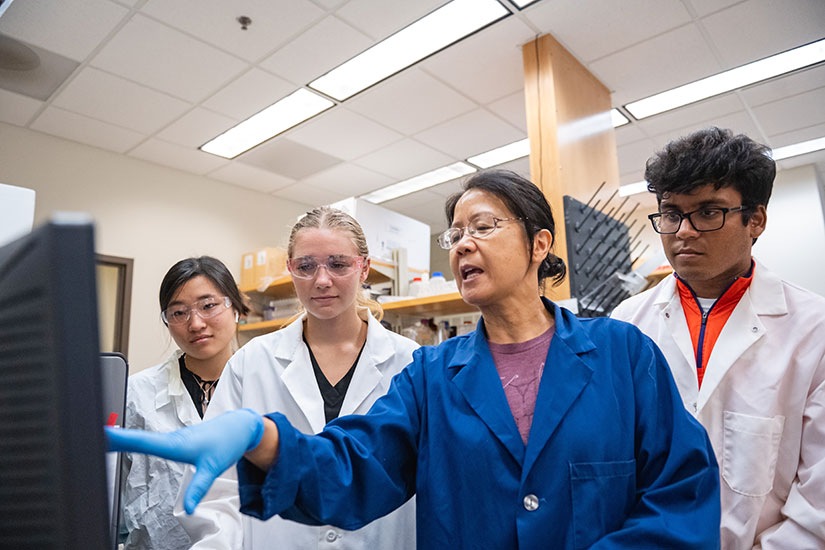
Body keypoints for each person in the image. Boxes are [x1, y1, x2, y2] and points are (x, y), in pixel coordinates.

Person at [109, 170, 721, 549]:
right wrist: (264, 439)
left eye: (483, 225)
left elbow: (683, 491)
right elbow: (356, 465)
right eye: (454, 234)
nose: (463, 244)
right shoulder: (432, 376)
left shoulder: (622, 356)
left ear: (539, 244)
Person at [611, 127, 825, 549]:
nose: (683, 231)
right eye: (671, 213)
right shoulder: (627, 323)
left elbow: (818, 500)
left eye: (708, 212)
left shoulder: (813, 329)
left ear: (756, 220)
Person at [178, 206, 418, 549]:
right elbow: (215, 489)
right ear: (290, 268)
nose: (322, 280)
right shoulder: (251, 363)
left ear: (364, 267)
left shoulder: (408, 361)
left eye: (338, 264)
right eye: (306, 266)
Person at [121, 256, 249, 550]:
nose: (195, 323)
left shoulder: (268, 385)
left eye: (208, 306)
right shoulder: (137, 394)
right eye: (178, 312)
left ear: (236, 308)